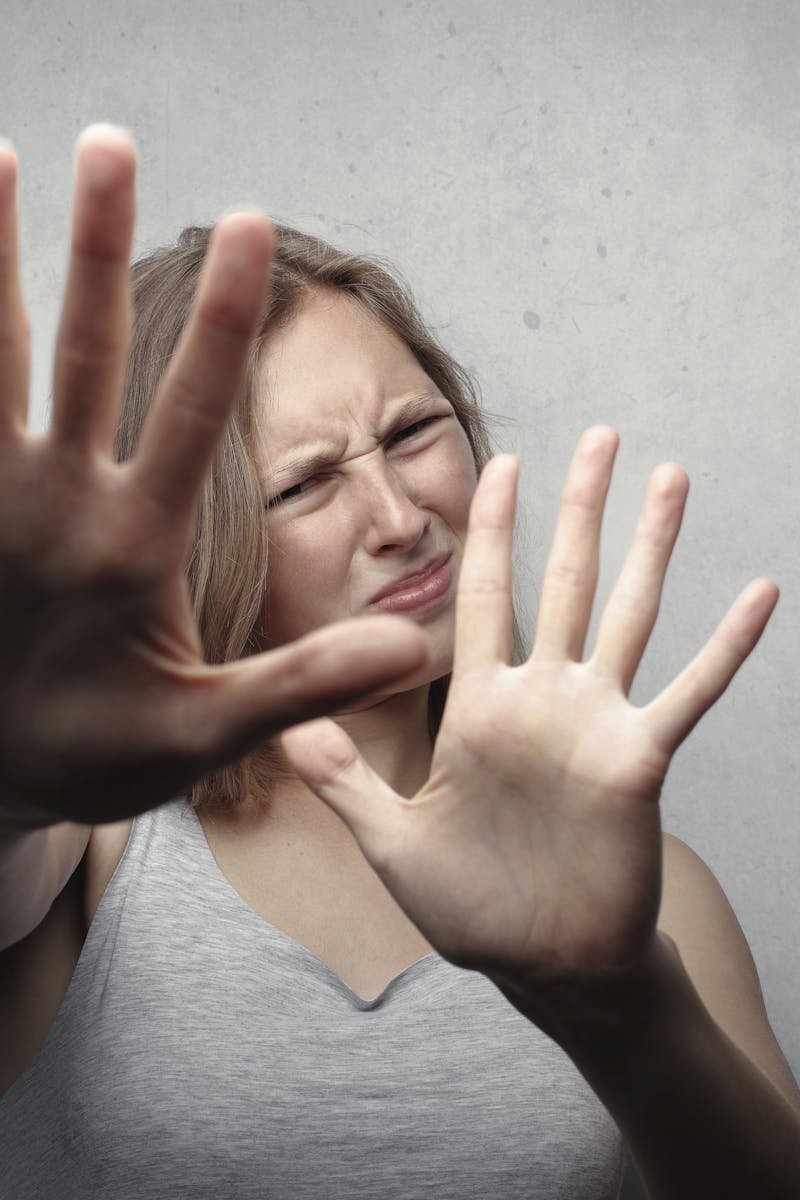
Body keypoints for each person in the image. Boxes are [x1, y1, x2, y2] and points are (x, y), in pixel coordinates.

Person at [0, 125, 798, 1200]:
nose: (397, 517)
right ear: (189, 544)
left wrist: (614, 1005)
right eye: (302, 484)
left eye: (414, 429)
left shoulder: (645, 888)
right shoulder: (87, 849)